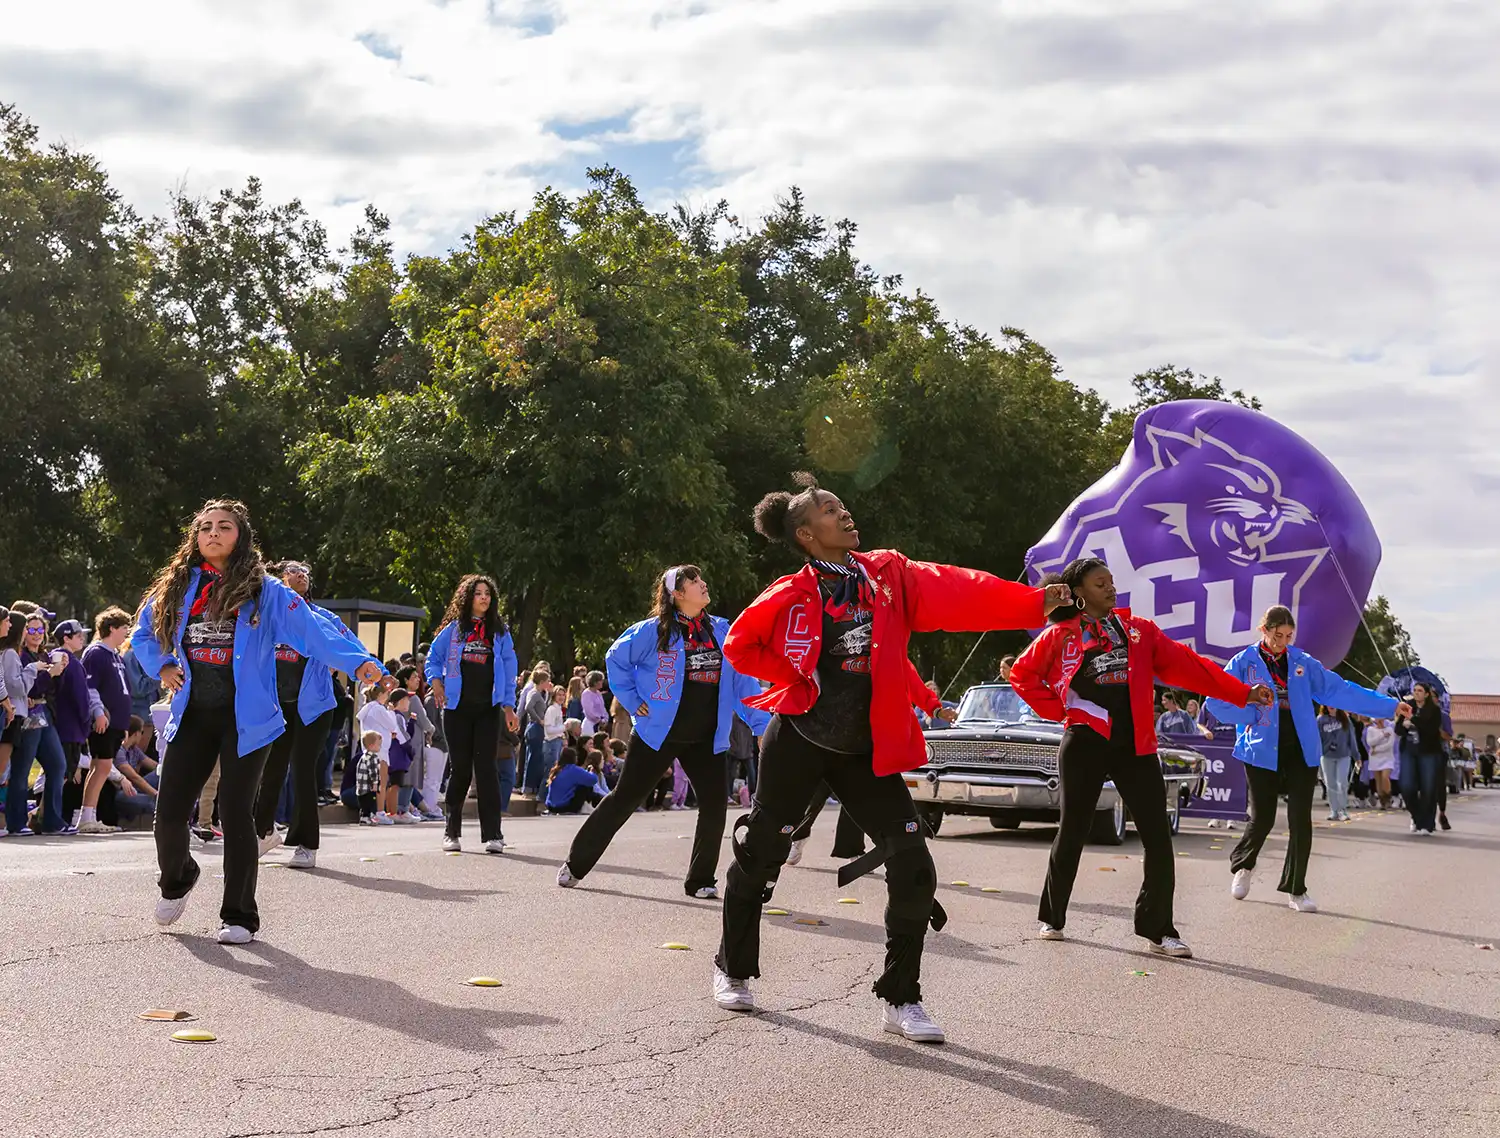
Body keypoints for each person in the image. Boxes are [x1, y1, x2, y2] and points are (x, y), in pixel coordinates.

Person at [713, 473, 1069, 1043]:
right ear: (806, 533)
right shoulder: (789, 592)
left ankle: (900, 997)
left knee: (914, 865)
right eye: (831, 510)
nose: (845, 512)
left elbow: (957, 588)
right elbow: (739, 644)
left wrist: (1030, 600)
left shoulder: (887, 574)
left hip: (863, 752)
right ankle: (732, 967)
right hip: (800, 741)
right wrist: (794, 677)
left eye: (841, 504)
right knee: (760, 855)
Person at [132, 500, 381, 942]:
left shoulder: (264, 589)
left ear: (240, 536)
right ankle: (178, 878)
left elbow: (311, 630)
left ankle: (239, 916)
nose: (212, 533)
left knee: (235, 813)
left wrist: (357, 661)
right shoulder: (177, 585)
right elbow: (144, 633)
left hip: (247, 718)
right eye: (205, 527)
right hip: (193, 712)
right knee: (168, 812)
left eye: (223, 527)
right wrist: (163, 664)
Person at [1012, 558, 1271, 957]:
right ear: (1079, 593)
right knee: (1073, 830)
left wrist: (1240, 692)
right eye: (1100, 584)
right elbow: (1022, 674)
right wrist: (1059, 709)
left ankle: (1160, 930)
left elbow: (1190, 667)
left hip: (1135, 745)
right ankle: (1052, 916)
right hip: (1085, 740)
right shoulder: (1060, 634)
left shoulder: (1138, 631)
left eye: (1111, 582)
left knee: (1156, 835)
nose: (1111, 588)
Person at [559, 564, 770, 900]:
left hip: (707, 737)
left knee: (715, 804)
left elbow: (743, 682)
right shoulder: (654, 631)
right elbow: (616, 659)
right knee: (624, 799)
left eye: (702, 578)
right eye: (694, 581)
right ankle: (576, 863)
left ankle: (701, 880)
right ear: (677, 594)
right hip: (659, 732)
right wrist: (630, 699)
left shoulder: (721, 630)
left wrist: (762, 725)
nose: (703, 584)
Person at [1205, 605, 1404, 911]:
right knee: (1263, 818)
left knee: (1301, 820)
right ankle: (1244, 865)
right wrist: (1252, 710)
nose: (1282, 642)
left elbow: (1340, 690)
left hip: (1301, 747)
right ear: (1264, 630)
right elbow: (1216, 700)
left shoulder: (1302, 663)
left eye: (1288, 635)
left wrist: (1389, 707)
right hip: (1260, 748)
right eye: (1277, 635)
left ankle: (1296, 889)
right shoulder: (1244, 662)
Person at [251, 560, 353, 868]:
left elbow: (350, 645)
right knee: (270, 770)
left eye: (306, 572)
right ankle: (263, 832)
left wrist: (342, 662)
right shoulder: (268, 617)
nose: (301, 575)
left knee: (302, 771)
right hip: (278, 707)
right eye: (294, 570)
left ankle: (306, 845)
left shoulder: (322, 617)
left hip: (314, 708)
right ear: (279, 580)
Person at [424, 574, 520, 854]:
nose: (484, 598)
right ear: (468, 597)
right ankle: (451, 832)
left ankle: (494, 835)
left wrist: (509, 706)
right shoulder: (454, 630)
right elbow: (433, 657)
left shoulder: (500, 632)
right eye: (478, 593)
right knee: (461, 770)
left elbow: (511, 669)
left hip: (488, 711)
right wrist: (436, 681)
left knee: (487, 770)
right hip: (457, 710)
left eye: (488, 593)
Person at [8, 611, 71, 835]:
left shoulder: (45, 655)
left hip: (45, 714)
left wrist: (60, 670)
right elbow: (29, 688)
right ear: (24, 633)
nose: (36, 634)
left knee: (57, 765)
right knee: (21, 769)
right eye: (31, 629)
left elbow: (53, 690)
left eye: (40, 629)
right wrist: (49, 674)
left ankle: (52, 821)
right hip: (28, 716)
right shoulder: (21, 656)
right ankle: (16, 823)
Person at [76, 607, 134, 834]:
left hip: (117, 723)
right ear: (111, 628)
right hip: (103, 722)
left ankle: (91, 815)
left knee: (99, 767)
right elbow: (90, 687)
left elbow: (122, 690)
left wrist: (125, 722)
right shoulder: (96, 653)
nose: (126, 634)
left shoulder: (115, 655)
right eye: (123, 629)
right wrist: (98, 712)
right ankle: (86, 816)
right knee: (102, 766)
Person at [1396, 682, 1445, 835]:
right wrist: (1403, 725)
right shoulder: (1407, 707)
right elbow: (1398, 729)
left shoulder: (1434, 710)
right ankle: (1416, 817)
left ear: (1427, 694)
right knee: (1407, 786)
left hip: (1428, 752)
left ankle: (1427, 824)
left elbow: (1430, 731)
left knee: (1428, 788)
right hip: (1409, 750)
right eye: (1415, 690)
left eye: (1420, 691)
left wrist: (1414, 720)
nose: (1416, 693)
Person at [1316, 707, 1358, 821]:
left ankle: (1343, 810)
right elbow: (1316, 739)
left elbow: (1352, 738)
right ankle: (1334, 810)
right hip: (1327, 756)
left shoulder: (1345, 718)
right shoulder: (1320, 720)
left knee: (1342, 782)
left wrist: (1357, 756)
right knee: (1330, 784)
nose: (1331, 706)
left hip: (1343, 755)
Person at [522, 669, 556, 798]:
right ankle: (528, 787)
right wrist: (539, 720)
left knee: (538, 758)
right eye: (547, 680)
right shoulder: (534, 693)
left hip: (541, 728)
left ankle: (534, 786)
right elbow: (528, 707)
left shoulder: (543, 693)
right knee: (532, 758)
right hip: (534, 727)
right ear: (542, 681)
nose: (549, 683)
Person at [545, 746, 605, 814]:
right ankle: (587, 806)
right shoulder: (574, 769)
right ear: (574, 758)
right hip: (565, 807)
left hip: (551, 806)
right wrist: (591, 772)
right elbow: (593, 780)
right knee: (584, 786)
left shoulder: (556, 770)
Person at [354, 729, 387, 823]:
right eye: (379, 745)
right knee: (370, 801)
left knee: (364, 802)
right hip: (369, 786)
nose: (380, 747)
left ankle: (365, 816)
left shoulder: (363, 756)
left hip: (361, 786)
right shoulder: (373, 758)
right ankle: (367, 816)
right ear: (371, 746)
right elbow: (373, 772)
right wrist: (375, 784)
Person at [1364, 717, 1398, 809]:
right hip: (1375, 759)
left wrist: (1376, 749)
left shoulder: (1390, 730)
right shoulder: (1370, 730)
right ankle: (1382, 800)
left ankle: (1388, 798)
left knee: (1385, 777)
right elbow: (1370, 742)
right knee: (1378, 780)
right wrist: (1382, 736)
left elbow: (1389, 745)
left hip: (1387, 758)